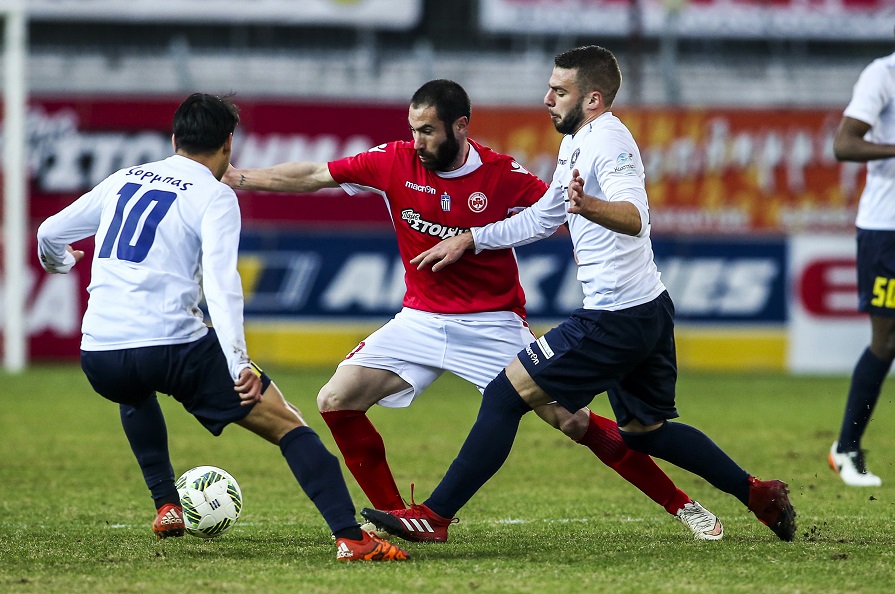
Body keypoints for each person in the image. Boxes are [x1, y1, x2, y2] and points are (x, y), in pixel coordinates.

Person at [224, 78, 724, 540]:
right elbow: (313, 174)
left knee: (573, 421)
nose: (417, 142)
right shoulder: (392, 161)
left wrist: (608, 249)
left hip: (493, 324)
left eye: (427, 131)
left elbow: (558, 215)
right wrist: (238, 177)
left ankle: (683, 505)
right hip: (419, 319)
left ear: (460, 126)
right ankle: (398, 517)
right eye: (412, 130)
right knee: (336, 398)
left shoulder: (503, 175)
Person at [361, 46, 797, 543]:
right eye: (550, 87)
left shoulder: (608, 142)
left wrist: (587, 204)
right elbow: (545, 214)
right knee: (644, 433)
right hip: (646, 310)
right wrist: (472, 239)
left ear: (592, 98)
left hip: (615, 317)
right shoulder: (577, 141)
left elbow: (633, 217)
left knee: (506, 393)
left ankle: (435, 517)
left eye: (559, 91)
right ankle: (757, 492)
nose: (547, 99)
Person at [36, 93, 408, 562]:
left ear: (174, 139)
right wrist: (239, 362)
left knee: (133, 391)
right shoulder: (214, 195)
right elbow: (221, 283)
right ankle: (351, 538)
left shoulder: (122, 179)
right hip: (172, 347)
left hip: (100, 355)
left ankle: (167, 504)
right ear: (229, 144)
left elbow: (49, 232)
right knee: (289, 426)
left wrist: (60, 264)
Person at [827, 11, 895, 488]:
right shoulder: (884, 75)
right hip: (888, 231)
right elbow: (844, 144)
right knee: (888, 339)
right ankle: (846, 448)